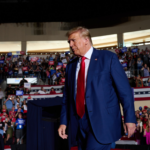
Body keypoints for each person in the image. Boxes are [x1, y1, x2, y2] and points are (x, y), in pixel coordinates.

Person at [58, 27, 136, 150]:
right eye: (69, 42)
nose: (70, 45)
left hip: (102, 122)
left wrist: (130, 119)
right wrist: (63, 122)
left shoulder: (108, 58)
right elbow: (67, 98)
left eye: (73, 40)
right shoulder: (70, 67)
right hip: (79, 123)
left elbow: (125, 92)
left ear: (86, 40)